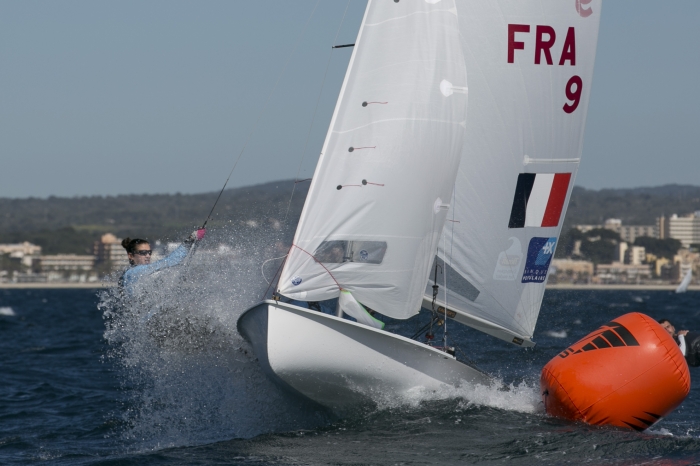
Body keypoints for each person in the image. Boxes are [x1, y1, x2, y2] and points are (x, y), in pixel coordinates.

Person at [119, 228, 206, 298]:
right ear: (131, 256)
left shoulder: (137, 274)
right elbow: (171, 260)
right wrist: (191, 238)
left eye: (149, 252)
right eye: (143, 253)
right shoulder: (133, 272)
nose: (148, 256)